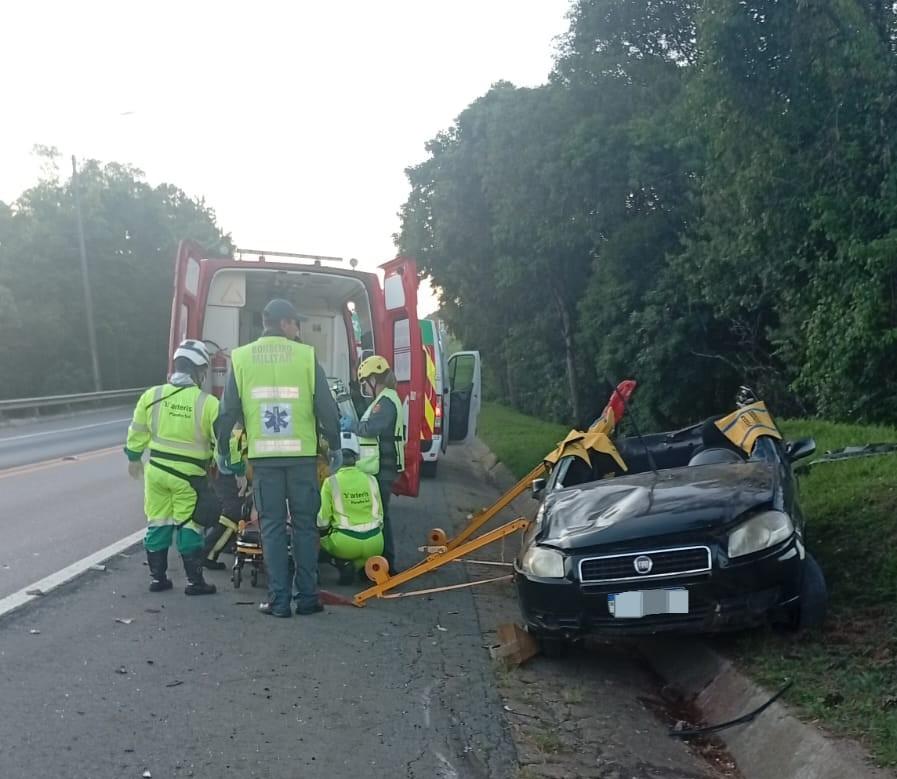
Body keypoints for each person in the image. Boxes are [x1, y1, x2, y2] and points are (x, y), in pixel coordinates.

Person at [215, 298, 340, 618]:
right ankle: (308, 597)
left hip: (264, 460)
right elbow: (327, 409)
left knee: (270, 527)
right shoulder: (306, 356)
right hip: (301, 459)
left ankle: (279, 601)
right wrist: (336, 446)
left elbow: (227, 411)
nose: (298, 328)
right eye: (295, 322)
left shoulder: (241, 358)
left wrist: (223, 450)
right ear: (284, 323)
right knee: (304, 527)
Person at [124, 339, 219, 595]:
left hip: (156, 473)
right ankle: (194, 583)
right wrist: (232, 469)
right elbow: (222, 443)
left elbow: (137, 432)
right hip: (189, 477)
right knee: (189, 524)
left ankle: (158, 579)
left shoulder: (151, 396)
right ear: (199, 370)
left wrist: (133, 457)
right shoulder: (207, 403)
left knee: (158, 521)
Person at [341, 355, 405, 571]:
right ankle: (380, 562)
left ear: (374, 379)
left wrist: (352, 425)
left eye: (364, 382)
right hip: (379, 467)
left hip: (381, 468)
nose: (364, 387)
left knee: (380, 517)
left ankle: (387, 565)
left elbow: (371, 429)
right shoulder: (384, 399)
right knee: (379, 515)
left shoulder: (385, 401)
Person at [317, 432, 384, 585]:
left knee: (317, 539)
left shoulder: (331, 482)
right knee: (364, 548)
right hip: (376, 543)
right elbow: (380, 515)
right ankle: (362, 567)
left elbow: (322, 521)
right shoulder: (371, 479)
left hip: (345, 544)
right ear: (356, 457)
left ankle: (345, 564)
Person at [203, 427, 248, 570]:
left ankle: (214, 549)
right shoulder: (239, 411)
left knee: (231, 510)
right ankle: (206, 553)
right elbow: (234, 437)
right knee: (233, 513)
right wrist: (239, 471)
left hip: (224, 467)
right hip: (230, 470)